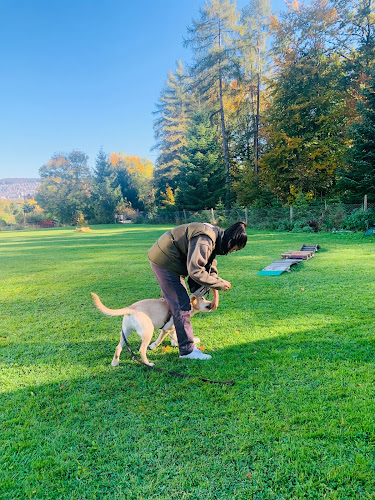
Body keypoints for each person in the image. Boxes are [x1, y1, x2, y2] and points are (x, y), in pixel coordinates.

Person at [147, 221, 247, 360]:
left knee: (177, 303)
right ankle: (187, 351)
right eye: (234, 249)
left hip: (169, 258)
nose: (231, 252)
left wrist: (215, 296)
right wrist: (220, 284)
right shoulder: (206, 239)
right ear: (230, 242)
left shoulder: (216, 237)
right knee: (181, 305)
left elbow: (210, 267)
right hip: (165, 260)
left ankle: (176, 338)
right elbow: (196, 271)